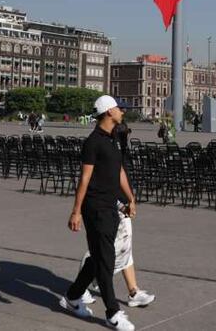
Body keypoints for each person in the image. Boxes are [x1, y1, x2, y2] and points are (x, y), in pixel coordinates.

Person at [62, 95, 138, 330]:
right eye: (118, 108)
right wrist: (76, 212)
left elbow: (119, 172)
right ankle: (112, 313)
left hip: (111, 205)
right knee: (106, 259)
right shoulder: (93, 142)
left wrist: (130, 198)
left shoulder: (114, 138)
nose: (122, 112)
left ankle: (73, 296)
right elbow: (84, 179)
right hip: (95, 208)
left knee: (98, 257)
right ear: (108, 112)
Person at [80, 122, 155, 310]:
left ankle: (133, 291)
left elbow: (121, 174)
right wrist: (122, 203)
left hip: (119, 204)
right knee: (103, 251)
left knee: (124, 248)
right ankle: (82, 289)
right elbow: (100, 179)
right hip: (110, 205)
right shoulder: (103, 145)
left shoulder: (116, 147)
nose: (125, 137)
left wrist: (130, 199)